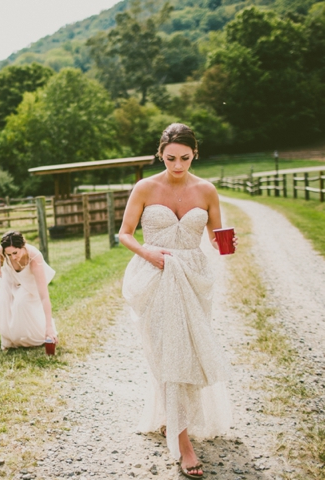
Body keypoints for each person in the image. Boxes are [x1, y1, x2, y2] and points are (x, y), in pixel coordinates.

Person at [119, 123, 235, 479]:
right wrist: (147, 251)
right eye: (171, 158)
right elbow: (124, 234)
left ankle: (175, 418)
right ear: (160, 154)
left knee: (189, 352)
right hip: (155, 275)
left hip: (194, 277)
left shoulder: (207, 189)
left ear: (195, 153)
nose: (178, 165)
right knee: (166, 352)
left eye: (185, 157)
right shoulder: (145, 187)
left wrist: (227, 243)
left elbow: (217, 239)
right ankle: (184, 444)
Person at [0, 231, 58, 350]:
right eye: (9, 254)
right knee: (2, 301)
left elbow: (44, 296)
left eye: (15, 253)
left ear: (23, 246)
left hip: (30, 281)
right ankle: (11, 339)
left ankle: (41, 334)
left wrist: (49, 327)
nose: (13, 257)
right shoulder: (4, 249)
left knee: (21, 302)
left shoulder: (34, 259)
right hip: (10, 276)